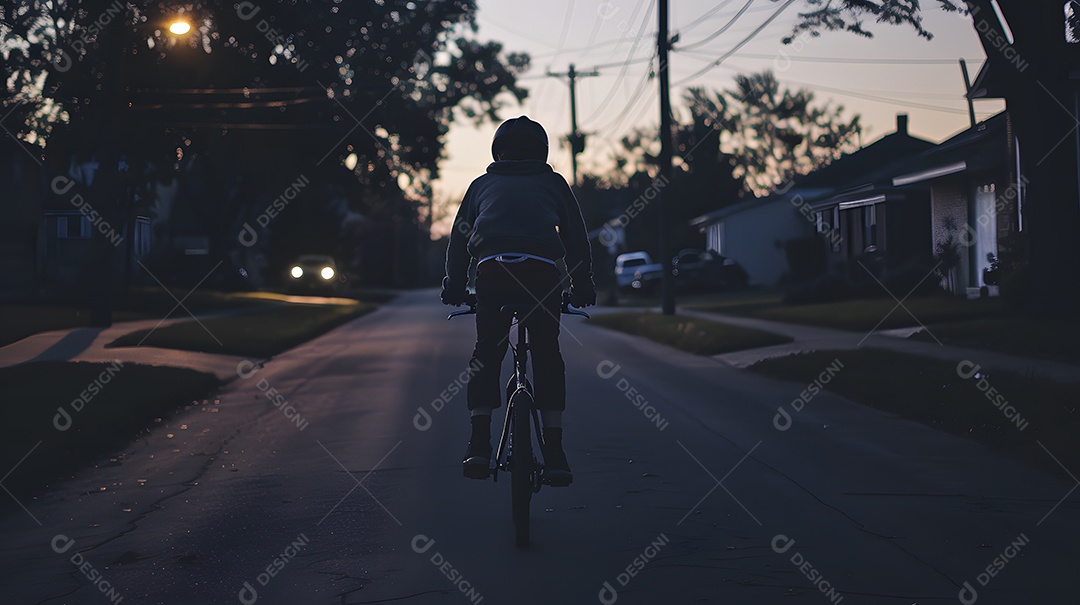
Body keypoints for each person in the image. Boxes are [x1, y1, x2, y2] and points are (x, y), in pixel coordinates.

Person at [441, 115, 595, 487]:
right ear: (542, 151)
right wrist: (582, 284)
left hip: (492, 275)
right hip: (541, 278)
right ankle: (555, 453)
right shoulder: (554, 183)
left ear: (498, 150)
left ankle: (478, 444)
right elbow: (576, 238)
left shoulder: (481, 185)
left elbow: (460, 240)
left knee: (486, 354)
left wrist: (454, 285)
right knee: (546, 355)